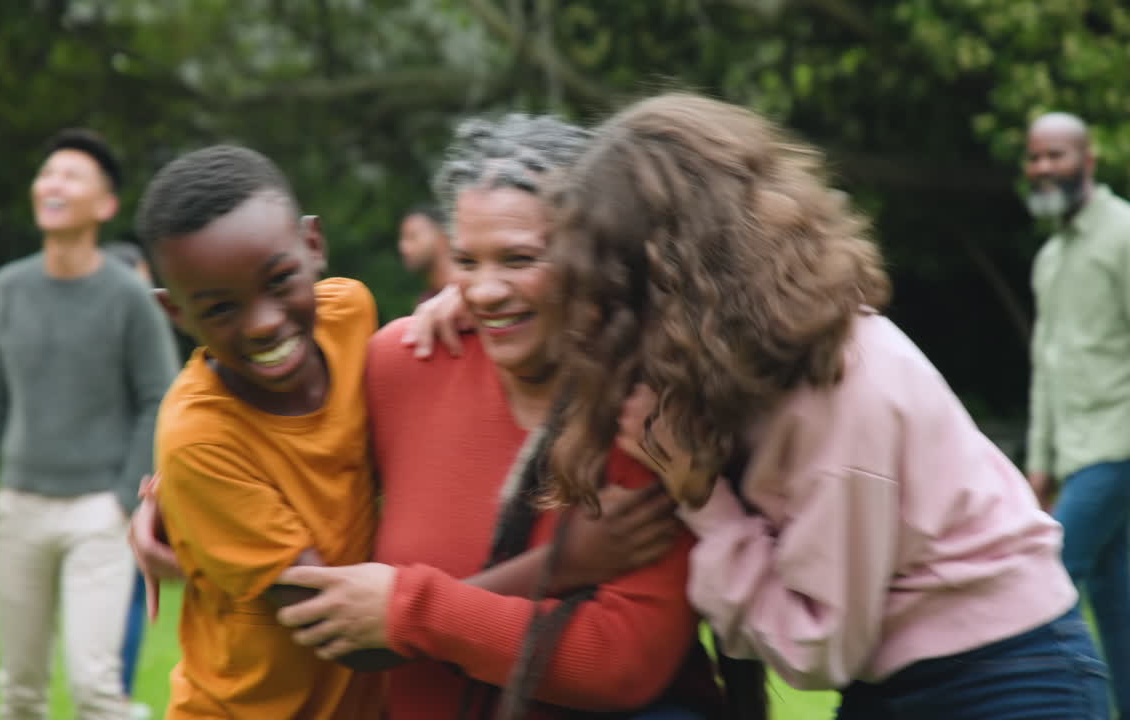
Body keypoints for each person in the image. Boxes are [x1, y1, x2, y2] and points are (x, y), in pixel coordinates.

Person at [527, 92, 1108, 719]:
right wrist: (466, 311)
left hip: (1004, 682)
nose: (603, 313)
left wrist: (707, 505)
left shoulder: (843, 395)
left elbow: (816, 651)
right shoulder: (735, 355)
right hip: (902, 676)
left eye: (613, 285)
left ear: (672, 273)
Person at [272, 115, 740, 720]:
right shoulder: (404, 362)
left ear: (595, 255)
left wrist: (412, 611)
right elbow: (276, 454)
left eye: (518, 259)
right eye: (466, 260)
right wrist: (180, 507)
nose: (485, 291)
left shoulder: (649, 407)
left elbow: (622, 661)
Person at [133, 144, 389, 719]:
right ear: (175, 313)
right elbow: (339, 622)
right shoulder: (199, 437)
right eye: (221, 309)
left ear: (314, 245)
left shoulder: (351, 315)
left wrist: (455, 305)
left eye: (279, 281)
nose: (264, 323)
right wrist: (546, 584)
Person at [0, 129, 180, 720]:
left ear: (104, 205)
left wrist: (125, 499)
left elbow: (161, 398)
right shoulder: (9, 288)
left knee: (95, 689)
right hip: (19, 509)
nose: (53, 185)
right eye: (47, 174)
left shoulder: (128, 297)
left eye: (71, 176)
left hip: (98, 516)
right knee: (19, 692)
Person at [1022, 111, 1130, 717]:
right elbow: (1048, 369)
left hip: (1119, 443)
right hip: (1077, 451)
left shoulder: (1123, 234)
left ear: (1088, 161)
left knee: (1049, 575)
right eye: (1035, 157)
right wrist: (1040, 464)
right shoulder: (1050, 259)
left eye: (1055, 156)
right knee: (1116, 602)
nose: (1042, 168)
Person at [102, 241, 162, 720]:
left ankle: (110, 696)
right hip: (123, 491)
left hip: (117, 489)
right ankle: (113, 698)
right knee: (129, 597)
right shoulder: (129, 343)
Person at [397, 204, 452, 304]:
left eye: (412, 237)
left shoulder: (468, 293)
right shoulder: (427, 301)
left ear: (442, 237)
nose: (403, 248)